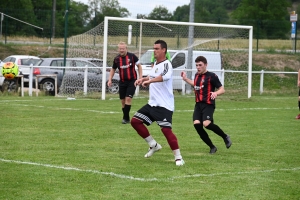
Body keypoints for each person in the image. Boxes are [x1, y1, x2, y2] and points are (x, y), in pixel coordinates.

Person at [131, 39, 185, 166]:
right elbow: (151, 76)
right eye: (154, 48)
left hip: (164, 105)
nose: (154, 51)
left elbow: (164, 77)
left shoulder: (167, 64)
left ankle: (178, 157)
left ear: (163, 50)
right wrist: (142, 79)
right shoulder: (156, 64)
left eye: (156, 49)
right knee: (135, 121)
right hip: (152, 104)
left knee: (166, 130)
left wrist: (149, 81)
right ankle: (153, 145)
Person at [181, 56, 232, 154]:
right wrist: (185, 79)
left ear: (206, 65)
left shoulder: (212, 76)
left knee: (206, 124)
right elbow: (195, 83)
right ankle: (212, 147)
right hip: (198, 105)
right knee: (197, 124)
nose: (198, 67)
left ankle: (225, 136)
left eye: (200, 65)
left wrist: (216, 93)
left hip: (208, 104)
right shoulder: (197, 75)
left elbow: (222, 89)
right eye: (196, 65)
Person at [108, 42, 143, 124]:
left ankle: (125, 118)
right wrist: (110, 79)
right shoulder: (116, 59)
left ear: (126, 49)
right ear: (118, 49)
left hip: (132, 81)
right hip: (122, 82)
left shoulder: (132, 56)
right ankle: (126, 118)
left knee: (128, 98)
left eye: (123, 49)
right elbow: (113, 69)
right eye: (120, 49)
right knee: (123, 101)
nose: (121, 50)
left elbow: (139, 66)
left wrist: (140, 78)